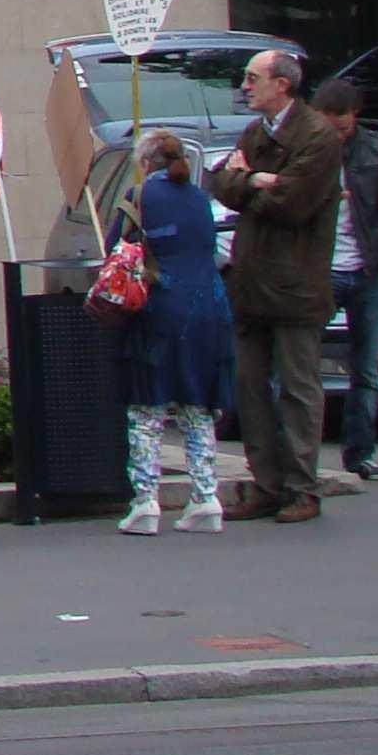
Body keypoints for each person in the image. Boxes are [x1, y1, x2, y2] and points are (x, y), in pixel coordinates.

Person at [209, 48, 342, 523]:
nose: (244, 87)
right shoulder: (252, 132)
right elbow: (219, 183)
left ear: (282, 84)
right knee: (249, 388)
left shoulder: (318, 137)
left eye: (252, 78)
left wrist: (252, 183)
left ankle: (302, 488)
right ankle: (265, 484)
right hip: (249, 283)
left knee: (298, 390)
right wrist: (254, 182)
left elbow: (293, 203)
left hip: (295, 284)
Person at [114, 128, 232, 535]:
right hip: (209, 308)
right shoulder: (200, 199)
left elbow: (121, 249)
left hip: (159, 309)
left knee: (147, 408)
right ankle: (205, 496)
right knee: (197, 406)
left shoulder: (139, 196)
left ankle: (145, 500)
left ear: (145, 162)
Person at [314, 77, 378, 486]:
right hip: (322, 271)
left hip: (369, 271)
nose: (336, 133)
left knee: (366, 368)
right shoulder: (306, 150)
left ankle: (361, 454)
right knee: (300, 362)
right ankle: (298, 450)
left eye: (342, 125)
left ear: (354, 115)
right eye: (328, 125)